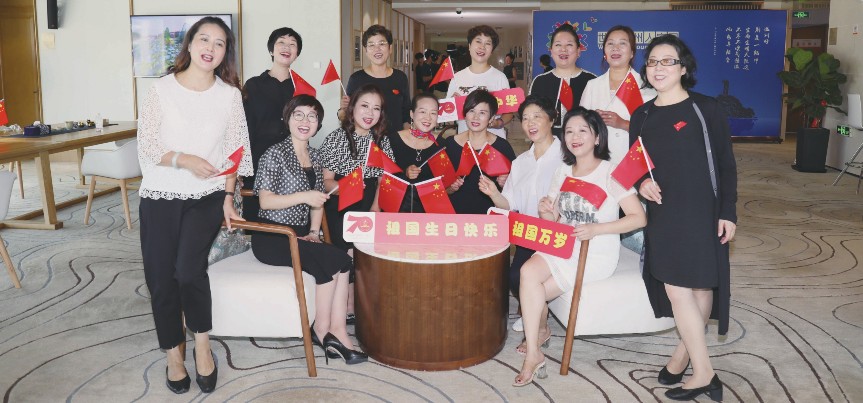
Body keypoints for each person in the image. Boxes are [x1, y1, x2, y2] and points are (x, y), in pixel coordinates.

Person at [137, 16, 253, 394]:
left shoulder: (229, 95)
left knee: (189, 271)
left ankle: (202, 343)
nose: (210, 48)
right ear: (189, 44)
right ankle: (174, 353)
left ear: (225, 53)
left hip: (207, 196)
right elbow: (147, 145)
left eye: (220, 43)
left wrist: (228, 198)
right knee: (160, 278)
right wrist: (183, 159)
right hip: (160, 194)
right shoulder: (161, 89)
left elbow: (235, 152)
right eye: (204, 39)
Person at [632, 34, 737, 402]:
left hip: (703, 210)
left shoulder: (706, 109)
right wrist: (642, 182)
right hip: (664, 213)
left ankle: (692, 365)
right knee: (678, 288)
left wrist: (728, 212)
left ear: (683, 68)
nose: (658, 68)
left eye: (667, 61)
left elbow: (726, 164)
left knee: (699, 287)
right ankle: (696, 365)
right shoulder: (642, 115)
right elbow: (634, 164)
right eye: (652, 62)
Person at [512, 107, 646, 387]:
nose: (575, 137)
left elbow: (638, 217)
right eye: (569, 131)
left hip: (594, 251)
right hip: (563, 242)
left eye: (583, 131)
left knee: (534, 293)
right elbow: (553, 219)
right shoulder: (562, 171)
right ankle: (535, 352)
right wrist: (546, 210)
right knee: (527, 273)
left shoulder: (611, 172)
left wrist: (597, 229)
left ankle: (539, 336)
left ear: (597, 137)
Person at [252, 95, 367, 365]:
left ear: (318, 124)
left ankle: (336, 330)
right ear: (288, 119)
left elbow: (318, 202)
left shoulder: (315, 155)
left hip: (302, 233)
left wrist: (315, 232)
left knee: (343, 260)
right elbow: (265, 201)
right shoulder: (274, 153)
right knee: (330, 261)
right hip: (274, 235)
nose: (305, 121)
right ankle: (322, 330)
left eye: (312, 116)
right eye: (299, 115)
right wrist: (305, 196)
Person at [478, 95, 562, 333]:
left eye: (537, 117)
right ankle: (533, 308)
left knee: (527, 276)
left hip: (557, 234)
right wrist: (494, 193)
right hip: (529, 234)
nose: (530, 123)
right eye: (525, 118)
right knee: (514, 277)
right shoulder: (521, 162)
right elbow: (509, 204)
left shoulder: (566, 157)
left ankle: (535, 317)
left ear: (551, 119)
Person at [322, 84, 394, 322]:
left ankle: (362, 302)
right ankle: (348, 304)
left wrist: (376, 207)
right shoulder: (336, 138)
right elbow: (326, 182)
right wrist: (346, 187)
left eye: (376, 108)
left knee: (366, 254)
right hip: (341, 202)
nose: (370, 113)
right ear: (352, 108)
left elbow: (384, 179)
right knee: (347, 253)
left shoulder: (381, 140)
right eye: (364, 106)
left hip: (369, 201)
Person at [241, 27, 303, 222]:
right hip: (256, 162)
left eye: (292, 44)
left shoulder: (302, 88)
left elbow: (310, 127)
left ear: (297, 54)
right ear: (271, 50)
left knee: (288, 218)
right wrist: (241, 168)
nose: (286, 47)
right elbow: (243, 128)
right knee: (255, 219)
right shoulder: (253, 85)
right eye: (281, 42)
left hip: (291, 163)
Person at [580, 25, 656, 165]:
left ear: (632, 52)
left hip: (632, 162)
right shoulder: (592, 85)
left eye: (622, 43)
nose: (615, 48)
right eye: (610, 43)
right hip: (597, 162)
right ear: (604, 52)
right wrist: (593, 120)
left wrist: (623, 124)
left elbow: (654, 129)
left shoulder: (647, 86)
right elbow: (580, 124)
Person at [444, 89, 516, 214]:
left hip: (489, 218)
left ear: (491, 118)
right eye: (471, 111)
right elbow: (439, 187)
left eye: (482, 113)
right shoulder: (450, 144)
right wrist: (450, 188)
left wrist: (505, 184)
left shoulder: (502, 147)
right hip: (455, 217)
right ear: (465, 114)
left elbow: (515, 191)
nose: (475, 117)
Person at [339, 25, 411, 136]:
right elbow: (345, 116)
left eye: (382, 44)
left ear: (390, 48)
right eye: (371, 45)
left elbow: (406, 115)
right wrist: (343, 109)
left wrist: (405, 138)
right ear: (366, 51)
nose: (377, 49)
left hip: (396, 140)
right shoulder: (356, 79)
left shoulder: (400, 78)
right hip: (366, 142)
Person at [529, 24, 597, 137]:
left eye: (569, 45)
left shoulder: (592, 81)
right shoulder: (540, 82)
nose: (563, 49)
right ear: (551, 51)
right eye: (558, 45)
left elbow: (597, 122)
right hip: (546, 144)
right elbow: (531, 119)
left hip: (582, 144)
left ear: (578, 51)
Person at [446, 25, 513, 138]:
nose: (482, 47)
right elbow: (448, 118)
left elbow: (509, 113)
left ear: (492, 50)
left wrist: (498, 123)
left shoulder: (500, 77)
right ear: (469, 46)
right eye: (478, 41)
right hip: (465, 140)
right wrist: (452, 107)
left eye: (488, 43)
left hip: (494, 141)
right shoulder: (457, 78)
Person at [389, 93, 444, 212]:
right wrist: (405, 173)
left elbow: (443, 182)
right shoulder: (393, 140)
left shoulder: (441, 144)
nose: (428, 118)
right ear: (411, 114)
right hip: (398, 209)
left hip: (430, 212)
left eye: (433, 113)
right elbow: (383, 178)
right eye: (423, 112)